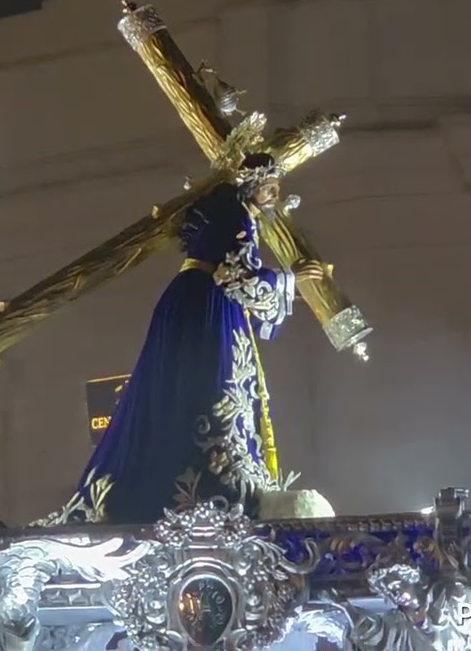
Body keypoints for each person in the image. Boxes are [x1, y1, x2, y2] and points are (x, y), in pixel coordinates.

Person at [35, 153, 325, 526]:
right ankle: (218, 488)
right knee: (209, 388)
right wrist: (292, 279)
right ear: (253, 185)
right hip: (208, 308)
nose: (275, 196)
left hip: (193, 304)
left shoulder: (227, 216)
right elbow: (238, 273)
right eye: (270, 187)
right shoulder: (236, 215)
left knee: (180, 389)